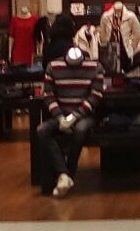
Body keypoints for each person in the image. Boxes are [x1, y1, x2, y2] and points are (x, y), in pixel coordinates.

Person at [37, 46, 105, 198]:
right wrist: (60, 117)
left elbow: (95, 96)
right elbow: (48, 95)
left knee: (80, 130)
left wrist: (75, 115)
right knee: (42, 130)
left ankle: (67, 174)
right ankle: (64, 175)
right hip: (61, 115)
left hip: (84, 116)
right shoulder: (53, 66)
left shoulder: (95, 67)